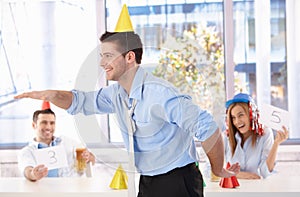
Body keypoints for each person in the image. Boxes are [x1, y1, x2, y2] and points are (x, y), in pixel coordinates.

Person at [14, 4, 239, 196]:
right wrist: (53, 95)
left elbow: (207, 126)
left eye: (108, 55)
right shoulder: (116, 95)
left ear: (129, 57)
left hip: (178, 181)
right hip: (148, 180)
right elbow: (80, 101)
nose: (102, 63)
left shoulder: (158, 93)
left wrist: (218, 169)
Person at [18, 104, 96, 181]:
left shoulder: (69, 142)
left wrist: (89, 157)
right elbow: (27, 171)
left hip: (72, 189)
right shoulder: (27, 152)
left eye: (52, 123)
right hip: (44, 191)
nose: (48, 127)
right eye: (44, 122)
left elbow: (92, 159)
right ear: (34, 125)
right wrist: (33, 174)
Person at [224, 93, 289, 179]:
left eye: (241, 115)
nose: (237, 122)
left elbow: (265, 171)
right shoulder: (226, 137)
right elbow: (211, 169)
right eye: (233, 117)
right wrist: (239, 175)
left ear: (252, 115)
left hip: (256, 188)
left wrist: (276, 143)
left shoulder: (265, 134)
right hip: (231, 189)